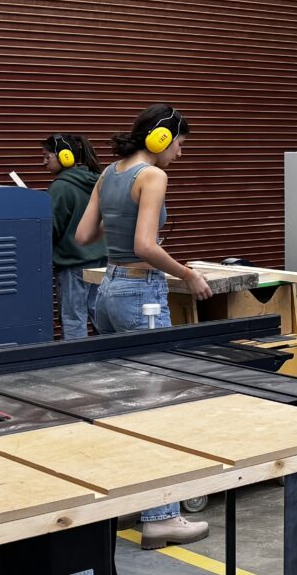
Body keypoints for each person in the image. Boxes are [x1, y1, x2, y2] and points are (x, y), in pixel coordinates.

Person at [76, 104, 213, 549]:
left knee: (123, 405)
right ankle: (161, 517)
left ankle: (130, 503)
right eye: (180, 144)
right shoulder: (152, 176)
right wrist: (188, 274)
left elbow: (83, 236)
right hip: (140, 293)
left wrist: (118, 220)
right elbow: (145, 245)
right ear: (160, 139)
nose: (180, 153)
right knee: (158, 407)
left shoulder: (108, 174)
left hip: (107, 291)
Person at [41, 134, 108, 339]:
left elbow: (50, 229)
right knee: (101, 314)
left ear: (65, 156)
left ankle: (78, 359)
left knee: (73, 318)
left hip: (73, 264)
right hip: (101, 261)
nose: (44, 162)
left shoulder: (60, 187)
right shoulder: (99, 180)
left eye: (47, 156)